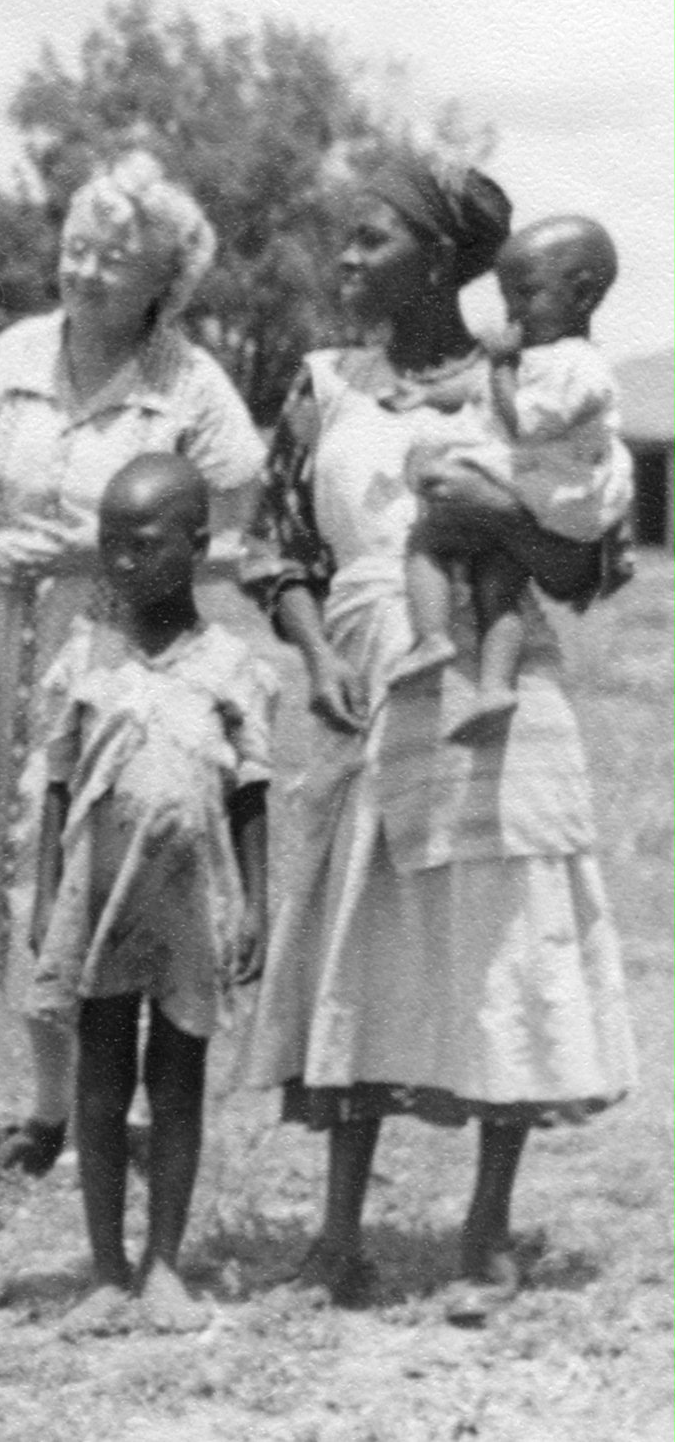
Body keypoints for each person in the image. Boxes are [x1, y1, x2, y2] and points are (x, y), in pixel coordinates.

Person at [237, 157, 636, 1322]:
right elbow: (276, 553)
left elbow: (583, 568)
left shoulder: (530, 381)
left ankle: (485, 1227)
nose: (346, 261)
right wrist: (314, 658)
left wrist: (493, 512)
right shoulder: (320, 387)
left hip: (503, 684)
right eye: (344, 242)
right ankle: (337, 1236)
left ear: (442, 258)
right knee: (360, 935)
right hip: (370, 674)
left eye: (370, 240)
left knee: (501, 936)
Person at [0, 151, 267, 1177]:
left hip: (126, 653)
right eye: (75, 250)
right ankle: (50, 1110)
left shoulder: (191, 387)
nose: (83, 273)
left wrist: (92, 553)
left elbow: (236, 534)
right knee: (20, 875)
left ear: (163, 277)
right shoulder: (13, 356)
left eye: (112, 259)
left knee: (99, 871)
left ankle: (108, 1113)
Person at [25, 455, 273, 1335]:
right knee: (100, 1083)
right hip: (100, 902)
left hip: (190, 905)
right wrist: (50, 892)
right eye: (108, 544)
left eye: (145, 543)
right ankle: (104, 1267)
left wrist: (257, 902)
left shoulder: (232, 667)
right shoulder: (85, 659)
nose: (122, 561)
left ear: (198, 546)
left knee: (177, 1079)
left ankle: (165, 1263)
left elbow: (250, 794)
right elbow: (56, 782)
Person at [396, 215, 623, 742]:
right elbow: (472, 388)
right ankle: (496, 688)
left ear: (583, 295)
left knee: (428, 532)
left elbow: (521, 422)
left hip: (540, 491)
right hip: (538, 498)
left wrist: (501, 366)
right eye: (506, 296)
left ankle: (430, 637)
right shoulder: (546, 358)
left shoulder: (580, 369)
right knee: (497, 585)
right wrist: (430, 392)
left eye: (525, 294)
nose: (512, 311)